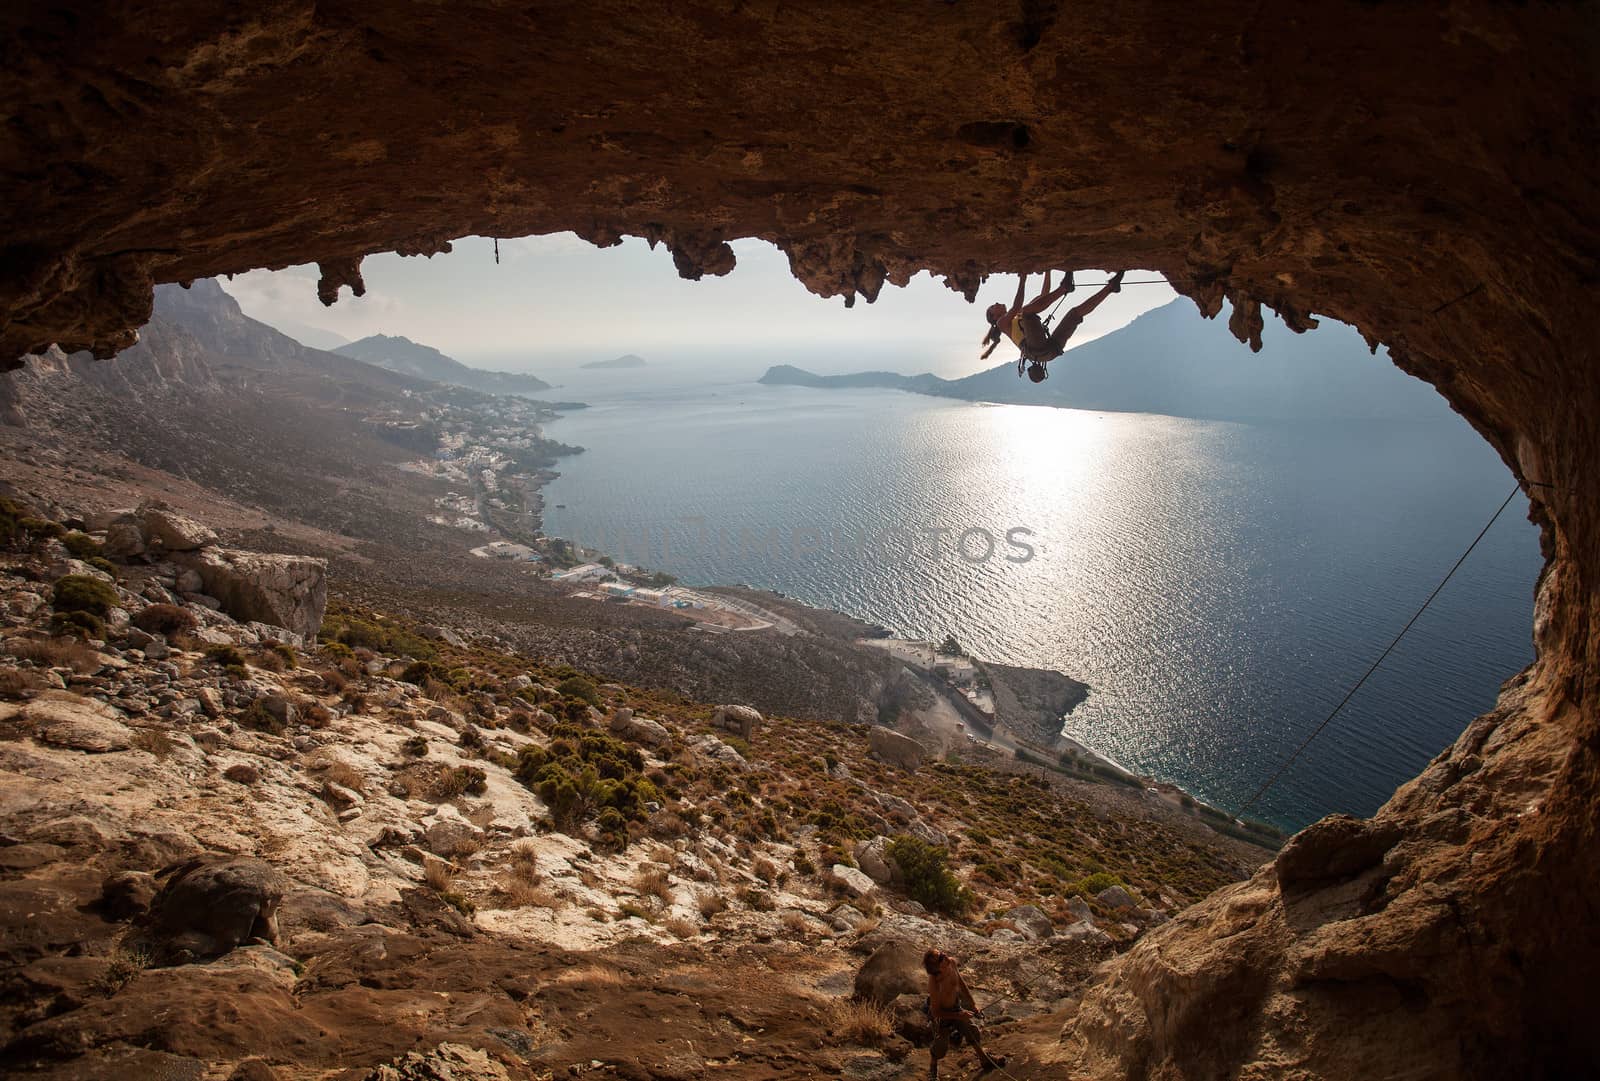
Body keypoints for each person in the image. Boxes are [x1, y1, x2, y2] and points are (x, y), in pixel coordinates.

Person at [981, 269, 1125, 382]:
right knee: (1027, 312)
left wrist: (1048, 271)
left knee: (1075, 314)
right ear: (994, 317)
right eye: (993, 307)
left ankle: (1111, 287)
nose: (997, 303)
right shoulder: (1002, 323)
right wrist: (1023, 279)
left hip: (1049, 353)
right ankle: (1064, 288)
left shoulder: (1017, 315)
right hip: (1036, 349)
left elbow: (1044, 295)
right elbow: (1018, 305)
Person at [925, 948, 1006, 1078]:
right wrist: (958, 1016)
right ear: (937, 968)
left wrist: (973, 1005)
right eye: (940, 957)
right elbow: (935, 1012)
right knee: (941, 1047)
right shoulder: (934, 984)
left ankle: (984, 1059)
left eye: (941, 953)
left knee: (972, 1031)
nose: (944, 955)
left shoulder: (951, 963)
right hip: (942, 1015)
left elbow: (961, 983)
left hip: (956, 1006)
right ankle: (933, 1066)